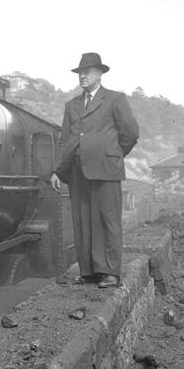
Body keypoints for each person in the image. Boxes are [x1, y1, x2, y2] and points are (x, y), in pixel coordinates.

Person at [50, 52, 139, 289]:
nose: (82, 76)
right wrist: (58, 171)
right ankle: (88, 271)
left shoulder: (115, 99)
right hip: (78, 170)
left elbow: (130, 133)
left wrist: (113, 154)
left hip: (106, 168)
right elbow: (65, 140)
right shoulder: (72, 105)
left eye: (87, 72)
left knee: (108, 220)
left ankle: (110, 272)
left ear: (99, 74)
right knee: (83, 220)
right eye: (80, 73)